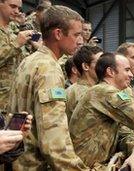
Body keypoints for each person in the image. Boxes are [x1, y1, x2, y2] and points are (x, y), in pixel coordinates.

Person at [9, 5, 99, 170]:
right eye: (77, 34)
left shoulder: (29, 60)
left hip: (16, 161)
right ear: (58, 34)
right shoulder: (49, 69)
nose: (81, 40)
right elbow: (54, 144)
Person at [0, 0, 34, 111]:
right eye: (13, 6)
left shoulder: (13, 30)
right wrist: (16, 44)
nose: (17, 11)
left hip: (15, 102)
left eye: (19, 8)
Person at [66, 45, 103, 120]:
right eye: (100, 63)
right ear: (86, 66)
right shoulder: (89, 94)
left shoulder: (70, 90)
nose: (105, 66)